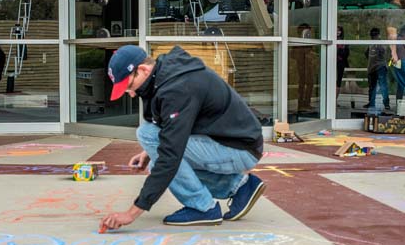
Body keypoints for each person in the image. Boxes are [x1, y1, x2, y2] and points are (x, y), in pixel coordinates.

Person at [99, 45, 266, 230]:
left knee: (149, 137)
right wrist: (147, 153)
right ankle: (239, 186)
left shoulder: (177, 89)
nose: (130, 93)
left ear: (143, 70)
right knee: (156, 161)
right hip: (229, 141)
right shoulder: (165, 75)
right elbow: (171, 128)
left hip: (239, 148)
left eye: (129, 86)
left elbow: (170, 155)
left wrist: (131, 214)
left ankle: (203, 207)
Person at [363, 27, 390, 112]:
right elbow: (366, 53)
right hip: (372, 68)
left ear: (378, 35)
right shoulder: (370, 43)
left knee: (383, 86)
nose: (373, 36)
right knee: (372, 86)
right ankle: (371, 102)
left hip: (380, 66)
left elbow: (384, 52)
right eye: (372, 35)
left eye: (375, 35)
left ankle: (386, 104)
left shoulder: (381, 43)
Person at [291, 23, 316, 112]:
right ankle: (301, 104)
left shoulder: (306, 42)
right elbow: (293, 55)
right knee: (302, 85)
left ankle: (306, 103)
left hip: (307, 65)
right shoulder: (298, 42)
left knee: (309, 84)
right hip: (302, 66)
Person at [336, 26, 350, 100]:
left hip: (341, 63)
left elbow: (347, 53)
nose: (338, 32)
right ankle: (330, 100)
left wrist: (341, 51)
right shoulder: (332, 40)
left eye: (339, 30)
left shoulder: (343, 41)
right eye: (336, 30)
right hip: (331, 63)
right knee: (330, 81)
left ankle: (335, 100)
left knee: (338, 81)